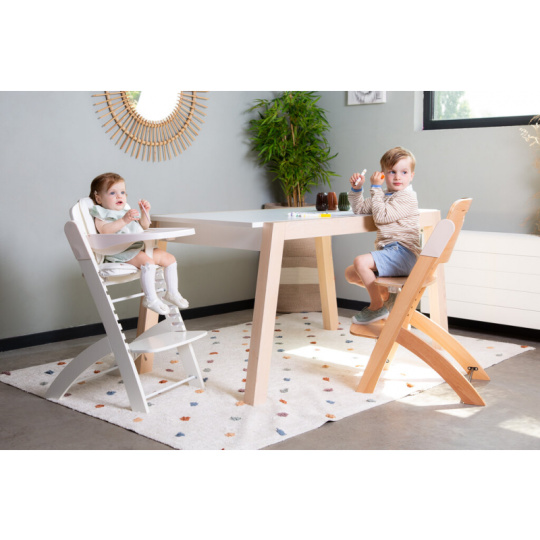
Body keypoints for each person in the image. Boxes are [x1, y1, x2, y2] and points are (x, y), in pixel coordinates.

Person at [89, 172, 189, 315]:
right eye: (112, 193)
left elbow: (144, 227)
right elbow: (104, 231)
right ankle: (151, 299)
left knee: (170, 259)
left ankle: (172, 293)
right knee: (148, 262)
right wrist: (124, 220)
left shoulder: (126, 211)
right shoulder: (102, 213)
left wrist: (144, 212)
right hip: (120, 252)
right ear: (98, 198)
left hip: (139, 247)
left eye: (122, 192)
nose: (119, 196)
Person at [345, 147, 420, 324]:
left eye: (404, 172)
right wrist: (357, 189)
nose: (397, 177)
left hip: (404, 254)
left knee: (360, 262)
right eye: (392, 172)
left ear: (411, 176)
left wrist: (376, 188)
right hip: (391, 252)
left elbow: (381, 216)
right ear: (383, 174)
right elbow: (360, 209)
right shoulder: (384, 195)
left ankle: (377, 306)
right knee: (351, 273)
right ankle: (387, 297)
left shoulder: (407, 197)